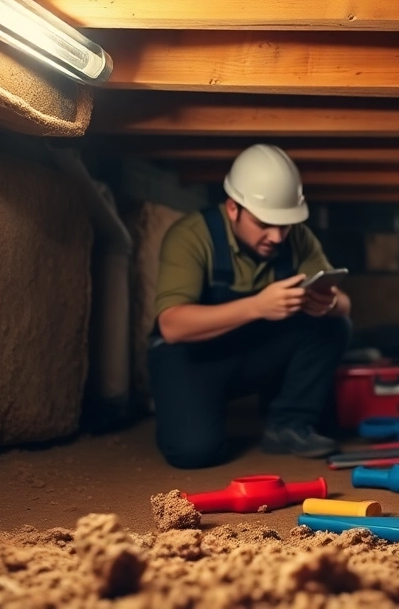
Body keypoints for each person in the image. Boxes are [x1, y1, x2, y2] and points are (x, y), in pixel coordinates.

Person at [149, 144, 351, 465]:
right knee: (194, 451)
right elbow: (171, 326)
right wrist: (257, 306)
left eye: (284, 225)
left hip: (253, 352)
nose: (277, 237)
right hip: (193, 358)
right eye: (264, 223)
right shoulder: (190, 236)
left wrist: (326, 302)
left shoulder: (297, 237)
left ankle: (288, 423)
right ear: (233, 208)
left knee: (333, 326)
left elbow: (344, 305)